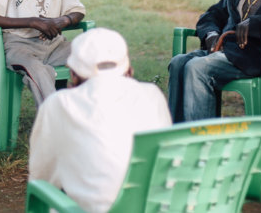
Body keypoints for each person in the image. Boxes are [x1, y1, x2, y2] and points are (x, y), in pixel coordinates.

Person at [28, 28, 171, 213]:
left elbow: (42, 178)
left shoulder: (59, 103)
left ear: (73, 74)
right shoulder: (152, 95)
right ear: (129, 70)